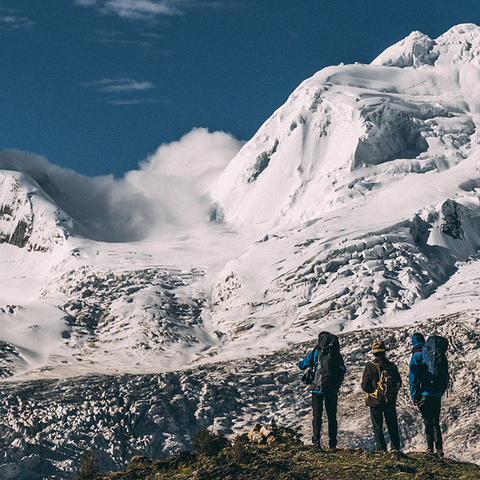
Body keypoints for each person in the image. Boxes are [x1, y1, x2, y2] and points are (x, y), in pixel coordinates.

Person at [298, 331, 346, 449]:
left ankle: (316, 441)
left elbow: (302, 365)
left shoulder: (315, 352)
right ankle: (332, 443)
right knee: (332, 417)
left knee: (317, 415)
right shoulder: (336, 354)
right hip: (332, 390)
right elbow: (343, 369)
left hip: (317, 390)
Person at [409, 333, 448, 456]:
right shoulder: (435, 355)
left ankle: (430, 449)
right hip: (436, 393)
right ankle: (439, 450)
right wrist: (440, 391)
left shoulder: (416, 356)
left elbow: (413, 378)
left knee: (428, 421)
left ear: (413, 342)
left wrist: (414, 396)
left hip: (424, 394)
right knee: (436, 421)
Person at [361, 340, 402, 452]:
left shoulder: (370, 367)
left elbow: (364, 385)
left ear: (374, 353)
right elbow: (399, 382)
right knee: (392, 425)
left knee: (377, 426)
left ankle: (381, 449)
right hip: (390, 401)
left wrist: (373, 392)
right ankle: (395, 448)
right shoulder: (392, 366)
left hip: (375, 401)